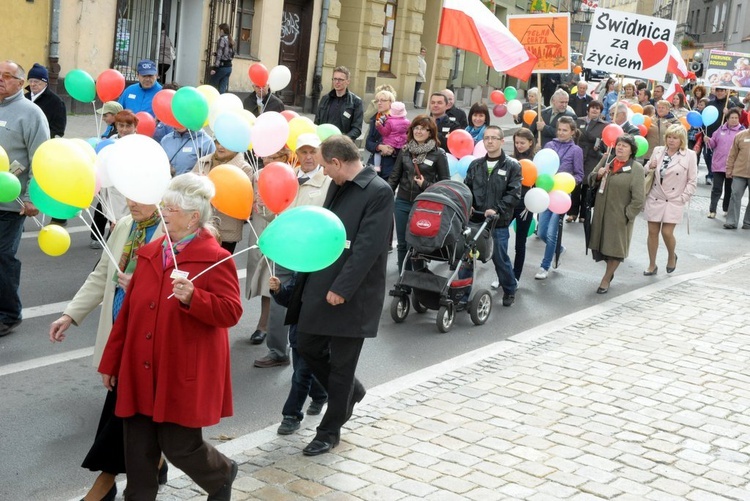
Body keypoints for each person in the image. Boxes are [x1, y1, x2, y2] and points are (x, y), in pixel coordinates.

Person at [98, 173, 242, 500]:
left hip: (180, 370)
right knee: (137, 450)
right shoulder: (150, 253)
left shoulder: (215, 259)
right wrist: (111, 362)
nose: (163, 212)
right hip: (138, 368)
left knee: (179, 446)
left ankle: (220, 473)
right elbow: (129, 315)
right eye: (164, 206)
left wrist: (195, 298)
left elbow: (231, 311)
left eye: (172, 209)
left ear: (194, 217)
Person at [49, 199, 165, 501]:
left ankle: (105, 481)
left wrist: (138, 284)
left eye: (139, 196)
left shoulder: (172, 231)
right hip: (119, 330)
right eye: (128, 195)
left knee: (122, 407)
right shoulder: (126, 225)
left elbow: (174, 289)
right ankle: (156, 461)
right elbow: (103, 273)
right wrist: (70, 314)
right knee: (125, 404)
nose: (130, 203)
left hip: (149, 336)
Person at [296, 135, 394, 456]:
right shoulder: (338, 186)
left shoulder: (379, 191)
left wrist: (343, 288)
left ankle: (329, 430)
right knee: (306, 342)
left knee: (341, 365)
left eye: (326, 166)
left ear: (337, 163)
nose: (324, 172)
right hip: (325, 281)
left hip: (354, 293)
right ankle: (351, 391)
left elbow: (368, 247)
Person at [253, 134, 332, 368]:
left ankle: (309, 355)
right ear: (296, 155)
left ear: (319, 154)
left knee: (311, 305)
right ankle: (278, 351)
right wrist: (261, 203)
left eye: (312, 152)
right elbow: (272, 214)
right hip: (285, 249)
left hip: (313, 254)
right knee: (278, 301)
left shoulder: (328, 182)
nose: (308, 157)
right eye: (303, 152)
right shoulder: (287, 178)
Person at [0, 60, 49, 337]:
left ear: (22, 83)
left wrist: (32, 197)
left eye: (7, 76)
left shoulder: (31, 114)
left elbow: (40, 159)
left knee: (3, 256)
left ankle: (9, 314)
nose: (1, 80)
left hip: (12, 203)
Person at [463, 125, 522, 306]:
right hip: (475, 221)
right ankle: (462, 295)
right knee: (466, 258)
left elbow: (514, 193)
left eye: (493, 138)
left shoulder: (512, 166)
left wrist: (497, 209)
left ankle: (510, 288)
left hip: (498, 222)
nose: (489, 141)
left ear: (502, 141)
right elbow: (467, 189)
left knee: (499, 258)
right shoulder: (475, 164)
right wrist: (470, 205)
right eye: (486, 138)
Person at [388, 115, 450, 273]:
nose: (419, 131)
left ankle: (418, 276)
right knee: (402, 243)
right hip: (402, 202)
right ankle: (404, 276)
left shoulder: (439, 154)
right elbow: (394, 177)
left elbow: (445, 184)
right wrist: (386, 196)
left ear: (430, 132)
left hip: (423, 205)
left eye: (423, 128)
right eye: (416, 127)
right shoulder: (405, 151)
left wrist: (426, 185)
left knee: (415, 244)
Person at [269, 273, 328, 435]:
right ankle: (320, 394)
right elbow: (289, 299)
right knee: (303, 371)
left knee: (301, 374)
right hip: (299, 332)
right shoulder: (303, 270)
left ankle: (291, 415)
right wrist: (279, 289)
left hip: (318, 332)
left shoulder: (331, 270)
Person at [245, 147, 291, 347]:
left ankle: (264, 326)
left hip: (278, 234)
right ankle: (268, 326)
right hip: (258, 231)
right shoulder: (257, 175)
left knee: (271, 281)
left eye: (274, 157)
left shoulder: (289, 176)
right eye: (266, 157)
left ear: (285, 158)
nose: (268, 161)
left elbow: (286, 210)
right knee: (259, 277)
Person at [587, 135, 645, 293]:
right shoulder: (608, 161)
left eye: (625, 146)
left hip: (620, 215)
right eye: (619, 145)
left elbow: (639, 198)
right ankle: (609, 271)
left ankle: (606, 279)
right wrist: (598, 174)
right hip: (602, 213)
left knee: (615, 250)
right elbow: (590, 179)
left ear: (632, 151)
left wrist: (627, 214)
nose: (620, 148)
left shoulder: (636, 168)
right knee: (604, 247)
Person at [643, 124, 697, 275]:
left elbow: (692, 181)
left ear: (682, 140)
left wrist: (683, 198)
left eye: (675, 138)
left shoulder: (690, 155)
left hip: (674, 199)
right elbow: (647, 169)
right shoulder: (658, 151)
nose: (671, 141)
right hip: (656, 196)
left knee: (667, 232)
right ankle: (652, 265)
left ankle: (671, 256)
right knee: (652, 231)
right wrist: (650, 166)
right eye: (669, 137)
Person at [535, 116, 583, 280]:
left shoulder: (576, 150)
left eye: (565, 130)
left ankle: (545, 266)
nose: (561, 133)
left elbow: (579, 175)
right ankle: (558, 248)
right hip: (546, 193)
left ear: (572, 132)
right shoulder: (549, 145)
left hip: (561, 196)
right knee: (541, 232)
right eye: (559, 129)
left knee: (551, 233)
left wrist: (568, 182)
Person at [193, 139, 253, 253]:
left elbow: (241, 199)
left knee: (219, 267)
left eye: (226, 144)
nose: (220, 146)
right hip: (198, 226)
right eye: (217, 142)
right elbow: (188, 188)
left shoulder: (244, 168)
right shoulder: (203, 161)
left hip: (225, 230)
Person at [571, 100, 607, 223]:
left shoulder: (604, 125)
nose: (595, 110)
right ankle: (572, 213)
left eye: (598, 108)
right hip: (578, 156)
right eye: (593, 107)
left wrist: (599, 144)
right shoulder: (578, 121)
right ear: (588, 109)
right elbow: (573, 136)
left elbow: (605, 143)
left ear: (601, 112)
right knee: (575, 185)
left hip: (592, 158)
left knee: (587, 186)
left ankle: (584, 214)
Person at [706, 108, 745, 219]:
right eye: (731, 118)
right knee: (716, 189)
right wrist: (708, 140)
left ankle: (726, 209)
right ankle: (712, 210)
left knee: (730, 189)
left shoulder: (742, 131)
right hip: (718, 164)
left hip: (733, 166)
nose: (734, 120)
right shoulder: (720, 129)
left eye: (736, 118)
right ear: (727, 119)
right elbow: (713, 144)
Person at [510, 128, 535, 280]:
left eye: (522, 143)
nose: (519, 145)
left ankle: (516, 277)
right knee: (500, 239)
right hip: (509, 203)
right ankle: (504, 274)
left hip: (526, 205)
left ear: (530, 143)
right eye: (517, 142)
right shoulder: (511, 159)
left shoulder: (536, 160)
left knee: (520, 243)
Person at [314, 66, 363, 141]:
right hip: (324, 142)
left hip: (342, 146)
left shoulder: (356, 102)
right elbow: (317, 123)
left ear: (348, 81)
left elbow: (357, 129)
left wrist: (343, 140)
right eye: (335, 79)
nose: (337, 82)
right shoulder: (325, 99)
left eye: (340, 80)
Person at [24, 63, 66, 138]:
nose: (32, 84)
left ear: (45, 82)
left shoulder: (56, 102)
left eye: (36, 81)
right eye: (30, 81)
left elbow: (58, 130)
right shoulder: (24, 98)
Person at [364, 89, 398, 179]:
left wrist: (392, 149)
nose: (379, 103)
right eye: (377, 101)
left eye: (383, 100)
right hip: (374, 163)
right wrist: (379, 147)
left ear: (391, 102)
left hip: (391, 165)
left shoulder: (398, 120)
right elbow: (368, 143)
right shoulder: (375, 119)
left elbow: (403, 142)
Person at [724, 126, 750, 229]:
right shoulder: (740, 136)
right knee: (735, 196)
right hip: (739, 172)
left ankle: (748, 222)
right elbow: (732, 154)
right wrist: (729, 169)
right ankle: (731, 222)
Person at [210, 23, 234, 94]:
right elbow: (231, 54)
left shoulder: (222, 39)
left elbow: (220, 54)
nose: (218, 32)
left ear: (222, 30)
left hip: (222, 67)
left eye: (219, 30)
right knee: (222, 89)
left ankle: (211, 102)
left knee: (212, 86)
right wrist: (215, 53)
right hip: (229, 67)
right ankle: (221, 103)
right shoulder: (231, 40)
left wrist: (215, 68)